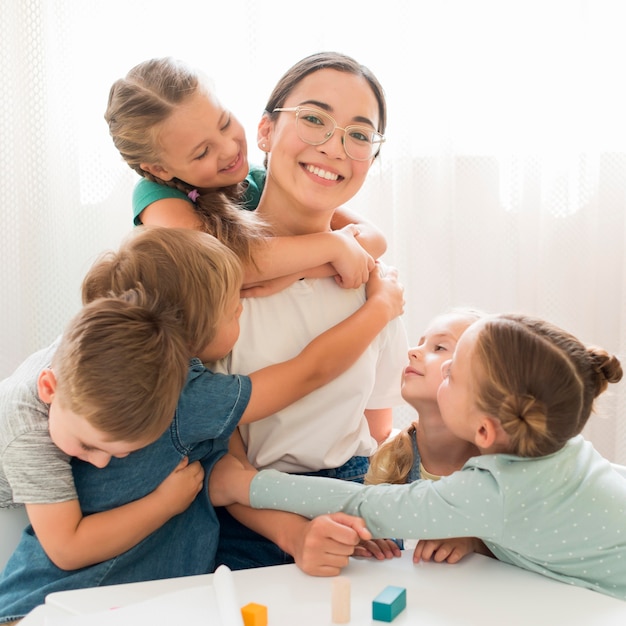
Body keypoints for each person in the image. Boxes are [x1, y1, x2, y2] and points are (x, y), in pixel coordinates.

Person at [0, 226, 404, 622]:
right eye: (234, 308)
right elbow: (309, 371)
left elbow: (231, 476)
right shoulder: (181, 395)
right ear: (195, 331)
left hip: (120, 600)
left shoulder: (107, 355)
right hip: (55, 604)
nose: (243, 307)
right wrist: (382, 306)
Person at [210, 313, 626, 601]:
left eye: (452, 374)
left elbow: (363, 505)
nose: (442, 370)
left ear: (484, 431)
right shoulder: (562, 443)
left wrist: (245, 483)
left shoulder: (492, 491)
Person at [213, 51, 409, 571]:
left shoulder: (375, 283)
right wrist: (296, 534)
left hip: (351, 505)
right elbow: (212, 456)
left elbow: (376, 424)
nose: (334, 147)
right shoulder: (212, 279)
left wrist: (367, 510)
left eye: (359, 134)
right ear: (265, 132)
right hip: (246, 514)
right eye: (315, 120)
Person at [105, 56, 387, 294]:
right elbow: (222, 266)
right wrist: (332, 246)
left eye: (225, 123)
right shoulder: (158, 198)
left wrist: (296, 273)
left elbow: (374, 239)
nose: (229, 149)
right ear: (160, 169)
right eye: (203, 152)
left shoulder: (256, 180)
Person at [364, 309, 483, 563]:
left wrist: (474, 542)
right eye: (419, 343)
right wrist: (366, 535)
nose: (412, 351)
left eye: (439, 347)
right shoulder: (387, 458)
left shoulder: (497, 467)